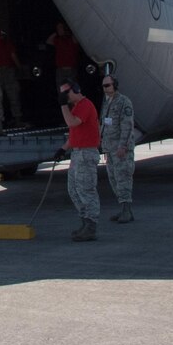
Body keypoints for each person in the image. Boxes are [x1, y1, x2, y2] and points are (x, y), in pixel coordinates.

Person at [59, 78, 102, 241]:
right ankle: (85, 221)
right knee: (74, 189)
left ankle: (91, 225)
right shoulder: (76, 107)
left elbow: (72, 122)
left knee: (86, 189)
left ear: (76, 89)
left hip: (86, 153)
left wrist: (63, 105)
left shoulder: (85, 105)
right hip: (77, 152)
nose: (65, 97)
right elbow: (75, 134)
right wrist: (63, 149)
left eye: (66, 93)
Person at [99, 73, 136, 222]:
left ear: (115, 85)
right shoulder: (107, 103)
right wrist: (104, 146)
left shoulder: (123, 102)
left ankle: (127, 210)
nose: (105, 88)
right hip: (110, 148)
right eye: (103, 85)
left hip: (121, 149)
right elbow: (105, 124)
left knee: (123, 178)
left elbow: (127, 126)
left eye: (107, 85)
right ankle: (123, 208)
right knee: (114, 179)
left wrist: (123, 146)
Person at [45, 20, 84, 90]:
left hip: (71, 71)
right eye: (57, 28)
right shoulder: (57, 40)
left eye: (60, 28)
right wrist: (56, 33)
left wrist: (67, 30)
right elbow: (48, 41)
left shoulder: (72, 39)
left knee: (73, 91)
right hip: (61, 71)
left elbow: (77, 36)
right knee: (62, 93)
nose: (59, 30)